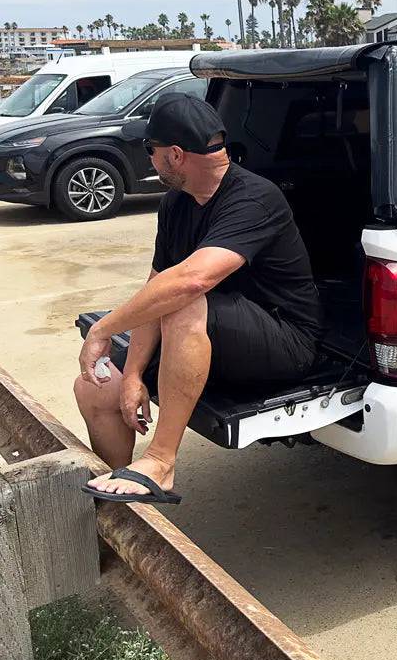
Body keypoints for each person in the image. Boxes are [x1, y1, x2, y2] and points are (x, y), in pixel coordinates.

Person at [76, 92, 323, 503]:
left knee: (185, 301)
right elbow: (157, 288)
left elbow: (191, 282)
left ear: (174, 155)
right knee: (97, 388)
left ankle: (161, 461)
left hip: (284, 341)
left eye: (150, 150)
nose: (149, 159)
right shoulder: (176, 203)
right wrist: (133, 375)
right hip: (206, 336)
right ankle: (118, 502)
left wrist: (102, 330)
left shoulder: (254, 197)